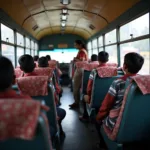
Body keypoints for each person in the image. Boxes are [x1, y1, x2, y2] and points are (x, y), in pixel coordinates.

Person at [96, 52, 144, 147]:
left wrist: (98, 117)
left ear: (124, 66)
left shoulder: (118, 83)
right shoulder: (144, 82)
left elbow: (106, 106)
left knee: (98, 121)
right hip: (140, 122)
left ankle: (103, 144)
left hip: (117, 122)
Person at [38, 57, 66, 135]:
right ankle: (58, 126)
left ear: (37, 65)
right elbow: (57, 88)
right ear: (48, 64)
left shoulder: (23, 81)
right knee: (61, 111)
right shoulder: (51, 72)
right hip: (50, 106)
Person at [79, 51, 109, 121]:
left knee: (84, 96)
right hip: (108, 96)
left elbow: (89, 88)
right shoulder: (114, 71)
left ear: (98, 59)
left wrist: (88, 95)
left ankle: (85, 116)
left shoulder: (94, 72)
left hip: (95, 98)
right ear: (107, 60)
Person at [69, 40, 88, 108]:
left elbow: (82, 60)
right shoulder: (84, 50)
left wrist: (75, 59)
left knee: (76, 86)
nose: (75, 46)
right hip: (83, 69)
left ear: (80, 45)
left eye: (76, 45)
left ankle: (76, 102)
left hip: (80, 69)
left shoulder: (82, 51)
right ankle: (78, 101)